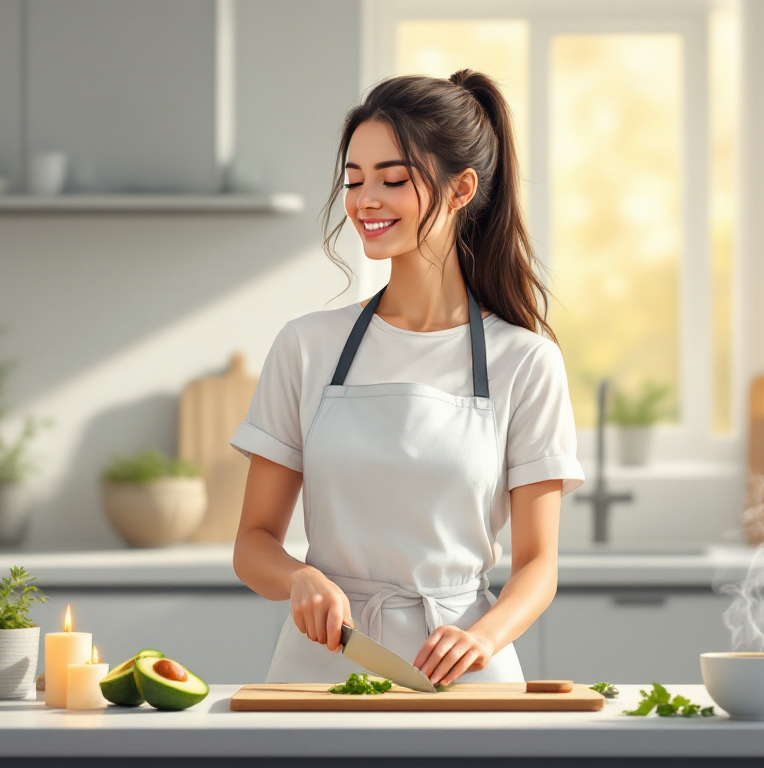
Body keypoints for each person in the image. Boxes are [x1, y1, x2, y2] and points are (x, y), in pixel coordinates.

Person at [230, 69, 585, 688]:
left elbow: (538, 566)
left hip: (463, 672)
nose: (365, 200)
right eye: (354, 180)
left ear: (460, 190)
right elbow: (253, 543)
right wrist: (300, 578)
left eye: (392, 180)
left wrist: (482, 637)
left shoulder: (525, 362)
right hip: (325, 665)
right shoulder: (307, 346)